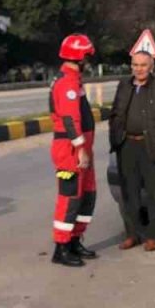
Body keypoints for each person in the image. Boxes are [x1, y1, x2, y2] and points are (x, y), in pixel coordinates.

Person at [108, 51, 155, 252]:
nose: (138, 69)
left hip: (151, 146)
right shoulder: (124, 86)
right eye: (135, 65)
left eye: (143, 65)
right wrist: (116, 136)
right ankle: (132, 234)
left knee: (153, 194)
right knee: (129, 194)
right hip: (127, 145)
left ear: (151, 67)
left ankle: (152, 236)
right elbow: (115, 113)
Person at [49, 33, 98, 267]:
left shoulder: (74, 80)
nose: (88, 61)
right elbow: (69, 119)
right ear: (79, 57)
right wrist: (80, 148)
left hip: (81, 148)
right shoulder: (66, 83)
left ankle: (75, 240)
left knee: (87, 196)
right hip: (70, 149)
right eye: (87, 56)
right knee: (70, 198)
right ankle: (61, 247)